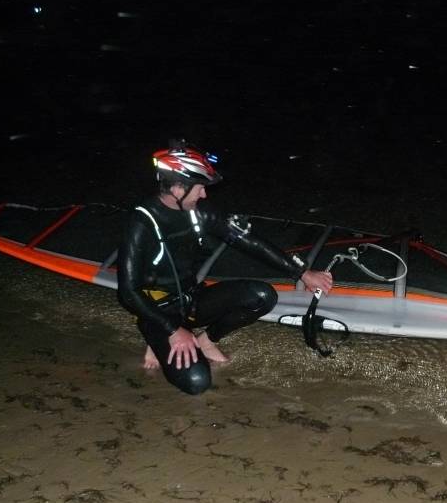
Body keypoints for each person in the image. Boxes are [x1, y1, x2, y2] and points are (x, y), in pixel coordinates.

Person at [117, 140, 333, 395]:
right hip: (159, 311)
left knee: (262, 296)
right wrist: (172, 330)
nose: (204, 194)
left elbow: (247, 241)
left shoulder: (200, 211)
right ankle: (155, 339)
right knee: (197, 382)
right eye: (200, 188)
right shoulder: (142, 221)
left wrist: (303, 273)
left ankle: (205, 340)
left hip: (191, 300)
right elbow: (128, 292)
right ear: (177, 188)